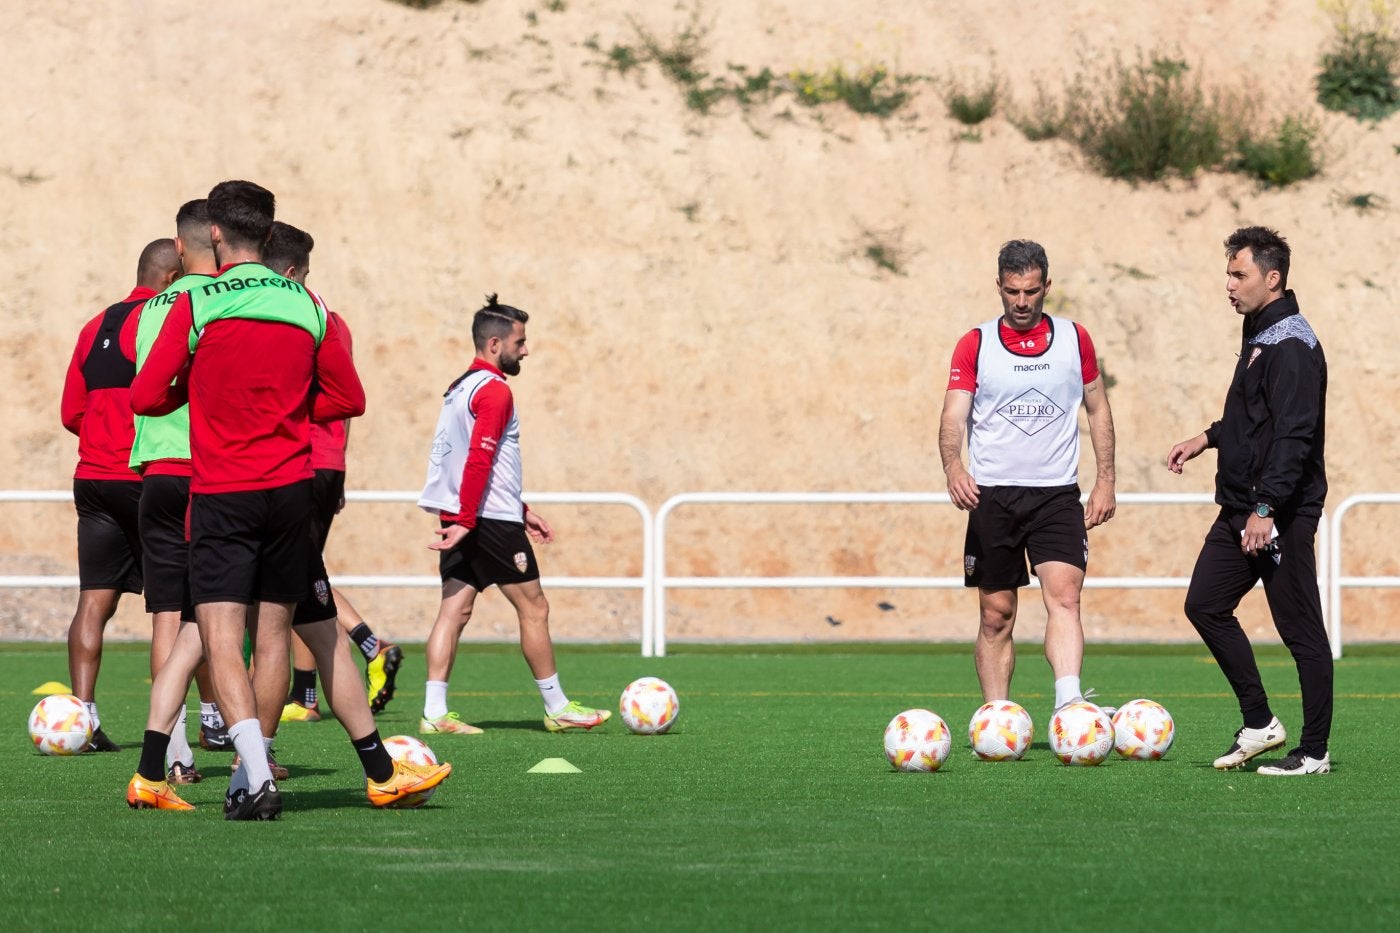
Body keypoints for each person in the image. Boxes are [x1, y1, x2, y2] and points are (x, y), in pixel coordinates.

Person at [126, 179, 449, 817]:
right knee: (277, 635)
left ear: (215, 234)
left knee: (219, 633)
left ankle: (252, 774)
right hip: (291, 490)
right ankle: (297, 769)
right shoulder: (310, 304)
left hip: (223, 488)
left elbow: (145, 397)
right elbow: (349, 397)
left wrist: (206, 397)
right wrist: (288, 408)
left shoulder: (197, 303)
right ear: (271, 236)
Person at [1167, 226, 1331, 776]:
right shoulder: (1258, 332)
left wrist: (1267, 511)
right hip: (1241, 507)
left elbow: (1293, 436)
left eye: (1239, 275)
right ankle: (1260, 723)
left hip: (1276, 512)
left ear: (1273, 277)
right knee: (1205, 605)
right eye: (1228, 274)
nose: (1229, 285)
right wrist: (1207, 438)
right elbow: (1251, 417)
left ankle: (1314, 751)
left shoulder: (1293, 345)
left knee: (1300, 630)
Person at [938, 239, 1117, 715]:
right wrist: (954, 466)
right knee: (997, 616)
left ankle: (1069, 705)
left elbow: (1097, 408)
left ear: (1047, 287)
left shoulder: (1075, 338)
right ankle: (997, 717)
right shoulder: (975, 343)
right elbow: (954, 417)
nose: (1022, 302)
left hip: (1056, 495)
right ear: (999, 286)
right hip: (993, 496)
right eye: (1013, 291)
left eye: (1032, 291)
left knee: (1065, 597)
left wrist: (1105, 481)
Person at [417, 294, 610, 735]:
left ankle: (433, 713)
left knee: (454, 610)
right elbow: (479, 460)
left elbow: (465, 459)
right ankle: (558, 707)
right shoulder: (495, 390)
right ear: (493, 344)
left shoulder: (459, 387)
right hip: (486, 521)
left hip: (472, 515)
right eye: (519, 342)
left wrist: (516, 511)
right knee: (535, 608)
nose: (525, 350)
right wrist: (473, 519)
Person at [259, 221, 404, 724]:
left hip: (292, 462)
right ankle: (308, 693)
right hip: (327, 463)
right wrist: (338, 464)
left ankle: (366, 647)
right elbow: (347, 398)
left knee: (292, 579)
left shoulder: (278, 317)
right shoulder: (328, 317)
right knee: (301, 570)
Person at [60, 238, 181, 752]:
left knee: (93, 600)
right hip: (142, 477)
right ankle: (200, 723)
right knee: (177, 604)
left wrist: (101, 437)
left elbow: (71, 412)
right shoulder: (161, 321)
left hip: (91, 477)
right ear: (172, 280)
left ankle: (83, 720)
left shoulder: (94, 326)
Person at [128, 200, 232, 785]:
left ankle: (175, 751)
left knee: (167, 612)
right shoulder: (216, 303)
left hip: (154, 472)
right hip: (204, 469)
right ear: (216, 243)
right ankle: (248, 745)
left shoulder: (150, 309)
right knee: (224, 611)